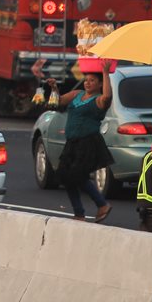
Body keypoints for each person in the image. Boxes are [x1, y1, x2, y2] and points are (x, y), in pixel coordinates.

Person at [48, 71, 114, 223]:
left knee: (77, 175)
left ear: (99, 84)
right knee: (65, 176)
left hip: (88, 143)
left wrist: (105, 73)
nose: (88, 83)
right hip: (72, 143)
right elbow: (58, 102)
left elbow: (107, 97)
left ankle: (102, 204)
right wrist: (54, 88)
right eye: (86, 80)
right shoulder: (77, 94)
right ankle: (79, 213)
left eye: (92, 80)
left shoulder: (98, 100)